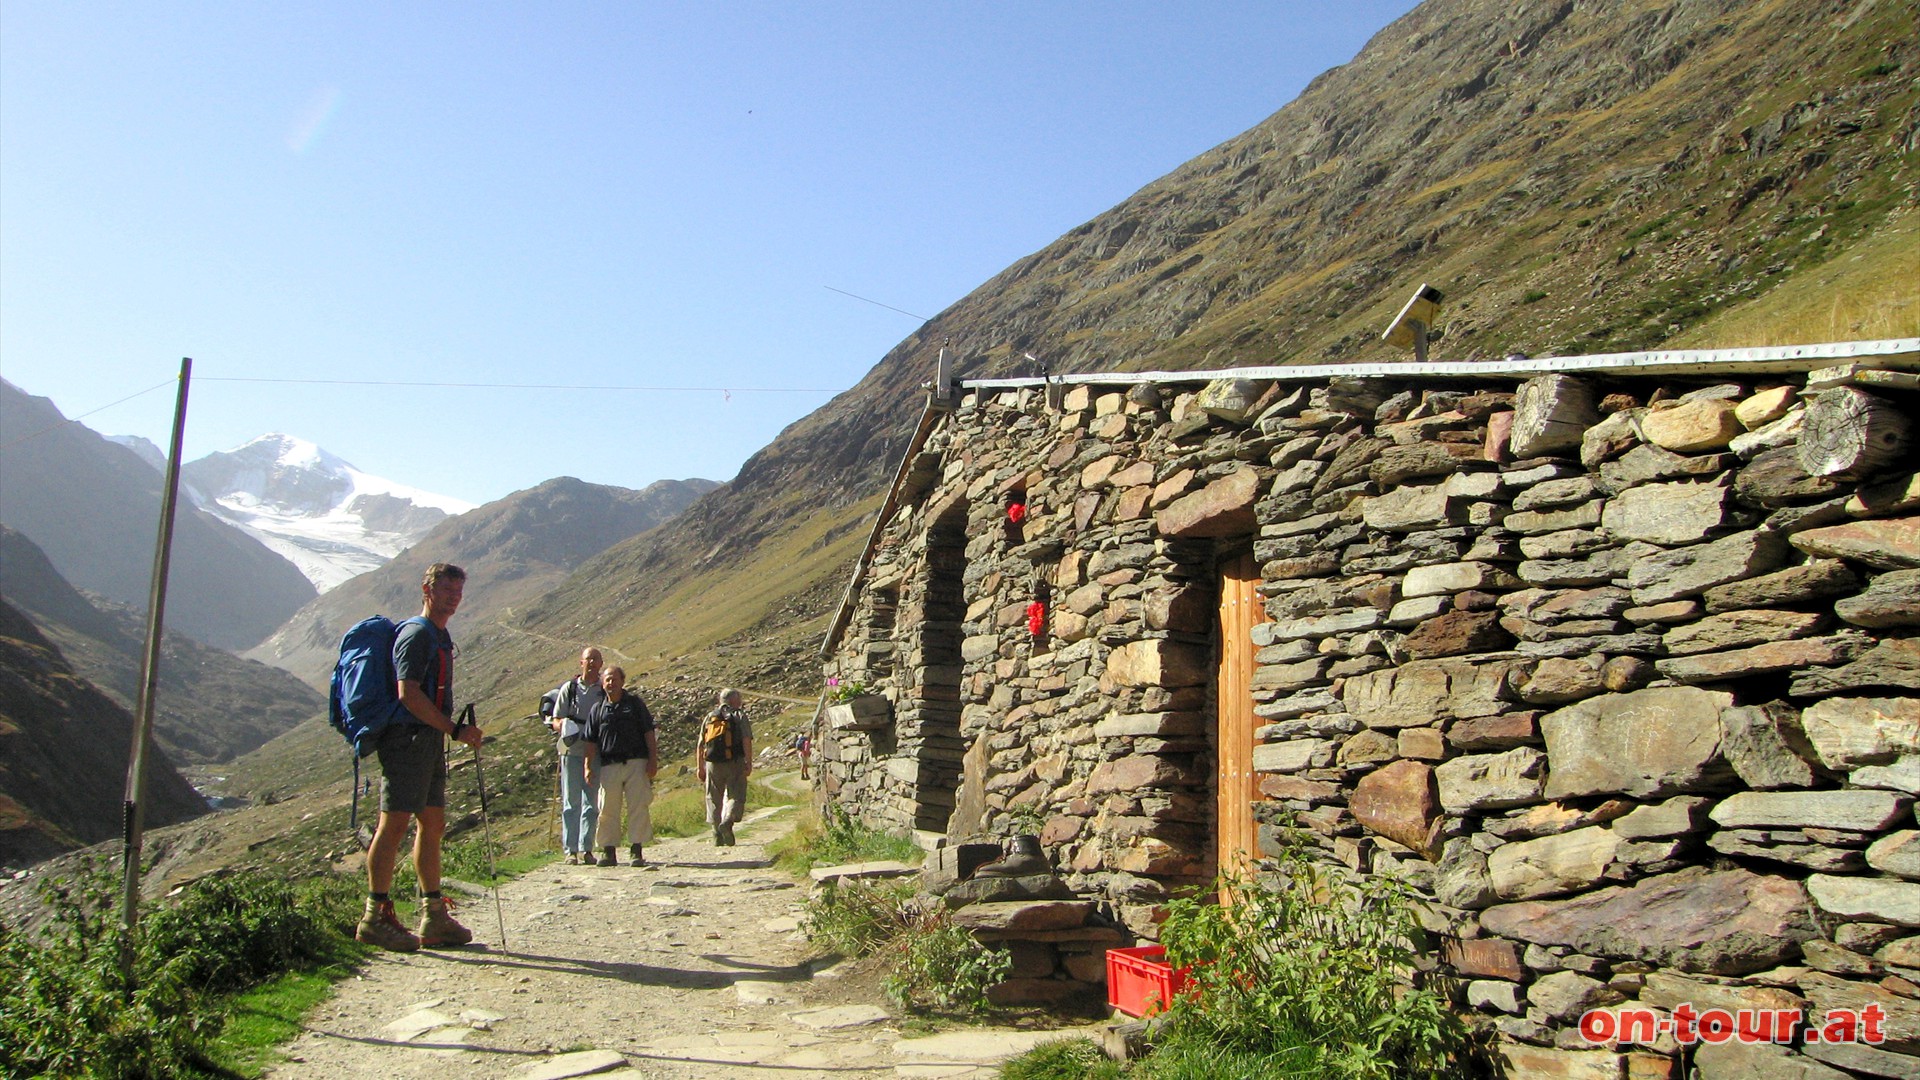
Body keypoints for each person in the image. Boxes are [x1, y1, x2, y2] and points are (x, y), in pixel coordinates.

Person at [356, 562, 483, 952]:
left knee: (433, 821)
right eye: (446, 591)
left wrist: (444, 731)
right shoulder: (417, 635)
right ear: (426, 590)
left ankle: (433, 915)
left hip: (426, 742)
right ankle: (374, 917)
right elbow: (407, 693)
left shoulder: (440, 635)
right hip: (407, 741)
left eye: (458, 592)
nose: (453, 598)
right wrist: (454, 730)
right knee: (392, 825)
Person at [583, 665, 659, 867]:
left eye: (614, 679)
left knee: (638, 806)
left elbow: (648, 733)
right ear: (602, 682)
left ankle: (636, 850)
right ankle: (609, 852)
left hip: (636, 762)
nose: (611, 683)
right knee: (607, 808)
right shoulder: (597, 709)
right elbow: (590, 741)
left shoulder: (635, 704)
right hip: (609, 764)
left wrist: (653, 760)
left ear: (622, 681)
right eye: (607, 679)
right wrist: (588, 767)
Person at [549, 648, 605, 864]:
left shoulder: (603, 690)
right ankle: (570, 850)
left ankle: (587, 848)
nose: (591, 663)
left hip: (594, 752)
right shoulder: (569, 689)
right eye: (588, 659)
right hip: (571, 751)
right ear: (580, 662)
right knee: (571, 801)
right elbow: (555, 719)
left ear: (600, 663)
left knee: (591, 802)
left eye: (595, 659)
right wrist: (562, 725)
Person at [699, 688, 753, 846]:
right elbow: (746, 739)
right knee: (735, 794)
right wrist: (748, 762)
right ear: (735, 700)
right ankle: (728, 820)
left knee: (713, 797)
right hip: (734, 761)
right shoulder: (739, 715)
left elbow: (701, 743)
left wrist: (699, 767)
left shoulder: (711, 716)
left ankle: (716, 834)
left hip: (712, 763)